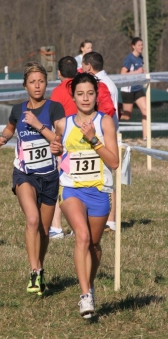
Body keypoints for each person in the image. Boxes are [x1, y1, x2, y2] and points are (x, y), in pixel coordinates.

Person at [50, 73, 119, 318]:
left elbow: (114, 162)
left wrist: (93, 139)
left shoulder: (105, 122)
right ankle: (85, 296)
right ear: (73, 96)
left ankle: (90, 285)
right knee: (81, 236)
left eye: (90, 93)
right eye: (80, 94)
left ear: (96, 94)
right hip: (71, 190)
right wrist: (56, 148)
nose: (85, 98)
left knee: (94, 245)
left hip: (99, 192)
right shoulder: (64, 123)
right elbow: (57, 146)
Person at [0, 62, 65, 296]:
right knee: (32, 220)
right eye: (33, 82)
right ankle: (33, 271)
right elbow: (9, 128)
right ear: (25, 85)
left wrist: (38, 125)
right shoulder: (18, 109)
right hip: (24, 174)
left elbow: (58, 139)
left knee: (44, 230)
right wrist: (3, 138)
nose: (37, 85)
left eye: (41, 81)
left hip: (49, 176)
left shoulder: (55, 108)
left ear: (46, 83)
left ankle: (41, 267)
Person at [82, 51, 119, 232]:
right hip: (105, 134)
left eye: (82, 66)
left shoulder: (100, 84)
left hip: (103, 136)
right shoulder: (107, 81)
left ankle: (109, 220)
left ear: (89, 66)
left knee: (106, 178)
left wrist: (95, 131)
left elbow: (108, 111)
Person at [49, 56, 78, 239]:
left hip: (65, 143)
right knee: (81, 184)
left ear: (58, 73)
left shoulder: (57, 93)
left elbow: (54, 120)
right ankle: (78, 225)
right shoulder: (84, 88)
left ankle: (57, 228)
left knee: (60, 184)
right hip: (85, 140)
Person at [120, 37, 147, 140]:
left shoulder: (140, 57)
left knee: (145, 110)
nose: (141, 47)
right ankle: (112, 118)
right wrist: (137, 73)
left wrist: (145, 74)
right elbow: (122, 74)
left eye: (142, 45)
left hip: (138, 88)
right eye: (139, 45)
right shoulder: (129, 58)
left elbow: (140, 70)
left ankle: (146, 136)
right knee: (127, 116)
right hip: (128, 89)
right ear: (133, 46)